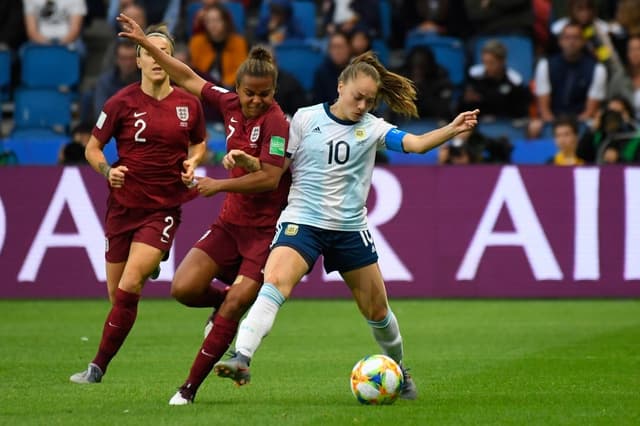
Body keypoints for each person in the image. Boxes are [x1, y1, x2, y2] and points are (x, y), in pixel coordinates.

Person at [213, 51, 480, 401]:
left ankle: (401, 370)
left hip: (349, 229)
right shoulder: (304, 121)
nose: (362, 106)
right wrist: (249, 161)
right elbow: (275, 169)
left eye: (370, 100)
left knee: (377, 310)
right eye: (358, 97)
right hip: (302, 222)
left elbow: (414, 145)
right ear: (340, 87)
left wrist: (452, 129)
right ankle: (242, 357)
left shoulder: (372, 128)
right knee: (276, 282)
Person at [116, 13, 292, 405]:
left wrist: (220, 184)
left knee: (237, 300)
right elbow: (186, 75)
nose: (255, 100)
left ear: (274, 91)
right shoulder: (227, 103)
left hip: (265, 235)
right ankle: (220, 309)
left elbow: (270, 178)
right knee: (184, 288)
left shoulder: (278, 122)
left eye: (264, 94)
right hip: (231, 225)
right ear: (237, 87)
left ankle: (188, 389)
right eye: (249, 93)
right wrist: (146, 43)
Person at [69, 24, 208, 384]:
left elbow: (198, 143)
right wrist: (106, 170)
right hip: (123, 206)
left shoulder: (188, 104)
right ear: (140, 59)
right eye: (150, 50)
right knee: (118, 296)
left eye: (163, 50)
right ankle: (151, 260)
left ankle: (97, 368)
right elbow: (92, 148)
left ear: (170, 59)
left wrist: (193, 161)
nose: (157, 57)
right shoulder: (121, 102)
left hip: (162, 207)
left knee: (131, 284)